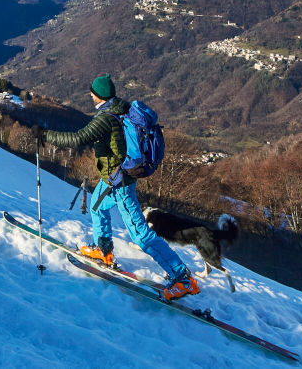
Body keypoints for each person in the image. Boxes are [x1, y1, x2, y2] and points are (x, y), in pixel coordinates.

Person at [33, 74, 199, 300]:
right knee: (96, 207)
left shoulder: (106, 118)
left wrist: (46, 135)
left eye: (92, 92)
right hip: (111, 178)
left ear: (98, 95)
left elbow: (78, 138)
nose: (90, 95)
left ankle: (184, 279)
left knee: (141, 235)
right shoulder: (120, 107)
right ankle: (103, 250)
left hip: (121, 182)